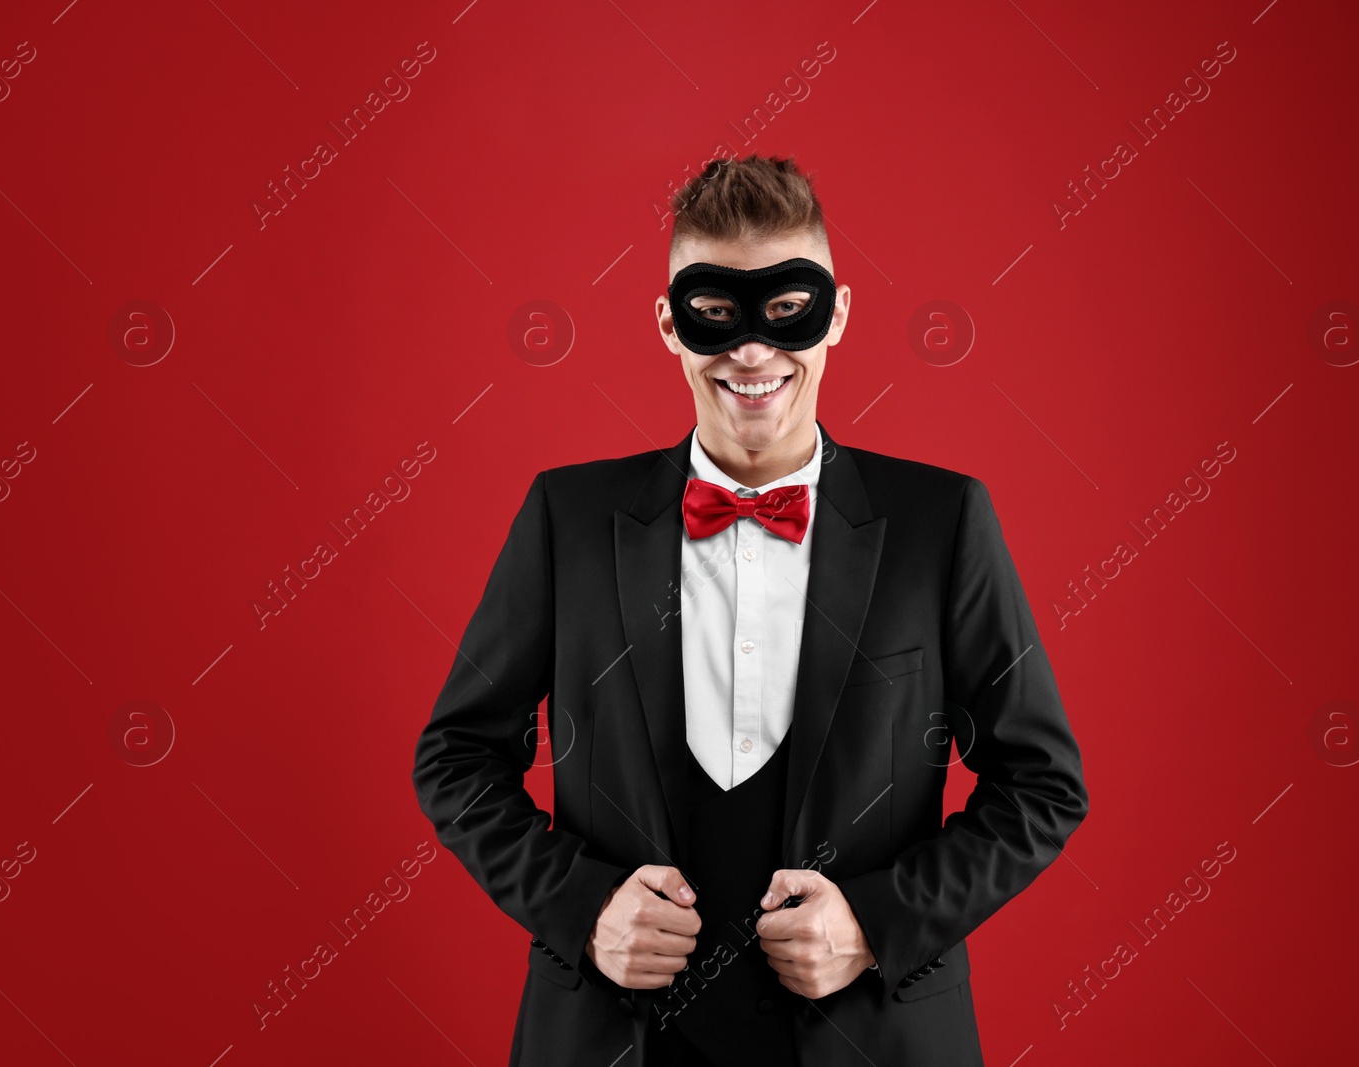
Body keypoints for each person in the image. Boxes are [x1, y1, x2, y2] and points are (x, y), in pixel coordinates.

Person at [412, 154, 1089, 1067]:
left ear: (838, 313)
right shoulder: (564, 518)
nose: (753, 353)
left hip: (874, 1039)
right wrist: (583, 906)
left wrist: (876, 923)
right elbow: (455, 755)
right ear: (668, 324)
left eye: (787, 312)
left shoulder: (944, 520)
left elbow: (1042, 784)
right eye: (715, 316)